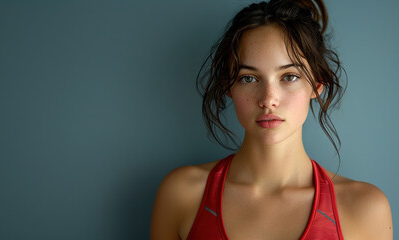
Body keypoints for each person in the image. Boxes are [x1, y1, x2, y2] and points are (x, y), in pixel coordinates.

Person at [150, 0, 393, 239]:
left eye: (289, 76)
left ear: (316, 85)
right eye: (248, 78)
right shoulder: (181, 195)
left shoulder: (365, 208)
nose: (268, 99)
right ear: (228, 86)